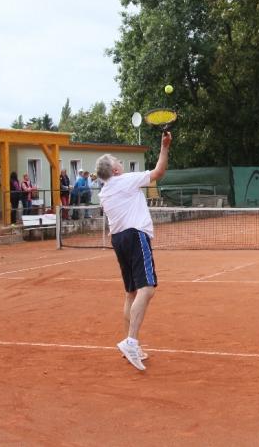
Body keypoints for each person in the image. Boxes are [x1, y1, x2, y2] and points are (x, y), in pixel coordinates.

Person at [96, 131, 172, 371]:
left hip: (118, 240)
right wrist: (165, 146)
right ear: (115, 170)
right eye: (117, 161)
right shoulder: (125, 180)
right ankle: (131, 341)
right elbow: (158, 172)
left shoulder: (103, 192)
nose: (120, 162)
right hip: (135, 235)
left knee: (131, 293)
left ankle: (130, 344)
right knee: (147, 289)